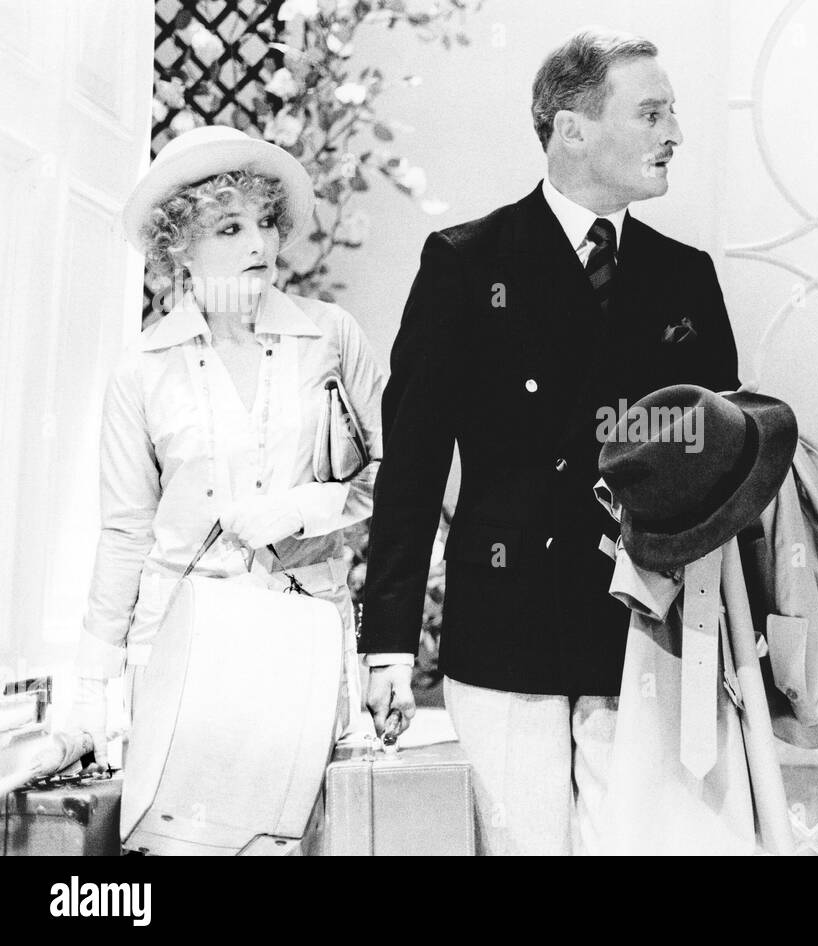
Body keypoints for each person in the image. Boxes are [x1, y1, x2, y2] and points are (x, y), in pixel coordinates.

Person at [360, 28, 740, 855]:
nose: (675, 133)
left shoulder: (686, 276)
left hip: (646, 626)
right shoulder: (465, 263)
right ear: (572, 128)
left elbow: (722, 476)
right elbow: (414, 465)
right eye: (651, 112)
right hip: (506, 627)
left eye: (672, 112)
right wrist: (387, 639)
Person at [72, 126, 385, 760]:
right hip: (182, 642)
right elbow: (128, 529)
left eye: (266, 222)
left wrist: (305, 507)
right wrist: (92, 675)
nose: (259, 243)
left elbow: (395, 471)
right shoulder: (144, 366)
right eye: (229, 228)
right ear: (179, 245)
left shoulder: (330, 335)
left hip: (305, 627)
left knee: (299, 832)